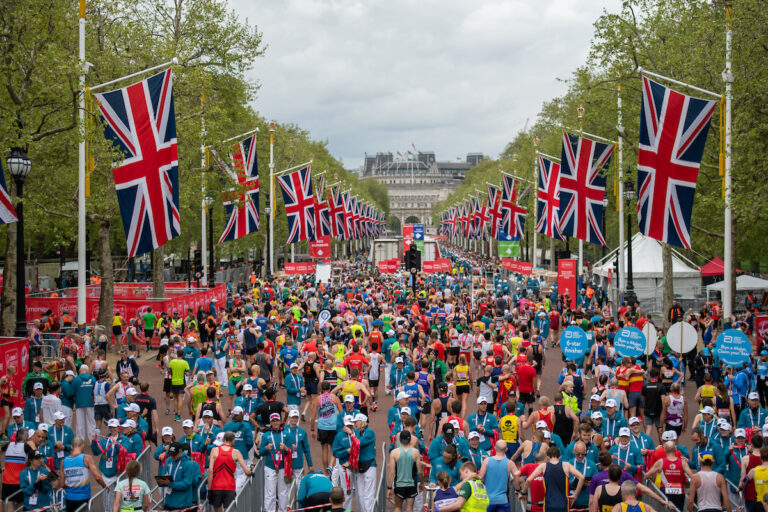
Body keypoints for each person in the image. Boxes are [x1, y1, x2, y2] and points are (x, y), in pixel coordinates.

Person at [522, 446, 585, 512]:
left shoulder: (543, 466)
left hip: (549, 505)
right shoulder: (566, 465)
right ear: (559, 457)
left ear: (547, 457)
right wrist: (575, 495)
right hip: (563, 505)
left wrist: (523, 493)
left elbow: (529, 480)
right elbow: (582, 478)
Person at [207, 431, 252, 512]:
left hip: (216, 486)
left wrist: (209, 489)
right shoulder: (236, 452)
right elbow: (246, 471)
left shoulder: (214, 450)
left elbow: (210, 471)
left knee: (217, 508)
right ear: (233, 441)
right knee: (228, 509)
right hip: (230, 487)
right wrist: (251, 473)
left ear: (223, 440)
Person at [59, 437, 107, 512]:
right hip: (84, 498)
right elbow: (97, 477)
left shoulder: (63, 462)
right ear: (82, 446)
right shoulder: (86, 458)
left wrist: (72, 484)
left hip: (69, 499)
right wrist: (104, 485)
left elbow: (61, 485)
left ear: (71, 447)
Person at [644, 441, 694, 512]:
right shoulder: (682, 462)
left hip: (665, 493)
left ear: (665, 450)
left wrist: (648, 478)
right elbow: (692, 476)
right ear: (675, 450)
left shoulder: (660, 462)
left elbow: (646, 475)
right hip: (679, 493)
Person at [158, 442, 201, 511]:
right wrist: (163, 479)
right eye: (171, 454)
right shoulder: (168, 461)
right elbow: (163, 474)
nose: (172, 457)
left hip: (182, 503)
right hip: (169, 501)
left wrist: (170, 483)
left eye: (174, 455)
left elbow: (186, 484)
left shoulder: (188, 464)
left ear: (180, 452)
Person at [387, 430, 422, 512]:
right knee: (409, 508)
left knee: (398, 507)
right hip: (412, 485)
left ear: (400, 440)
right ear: (410, 439)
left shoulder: (394, 453)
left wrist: (389, 488)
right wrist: (422, 483)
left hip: (399, 485)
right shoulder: (416, 452)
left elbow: (392, 473)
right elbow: (420, 472)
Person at [478, 440, 518, 512]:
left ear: (495, 447)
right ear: (506, 450)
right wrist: (517, 488)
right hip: (502, 500)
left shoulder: (487, 461)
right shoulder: (510, 463)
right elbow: (517, 475)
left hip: (488, 500)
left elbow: (480, 478)